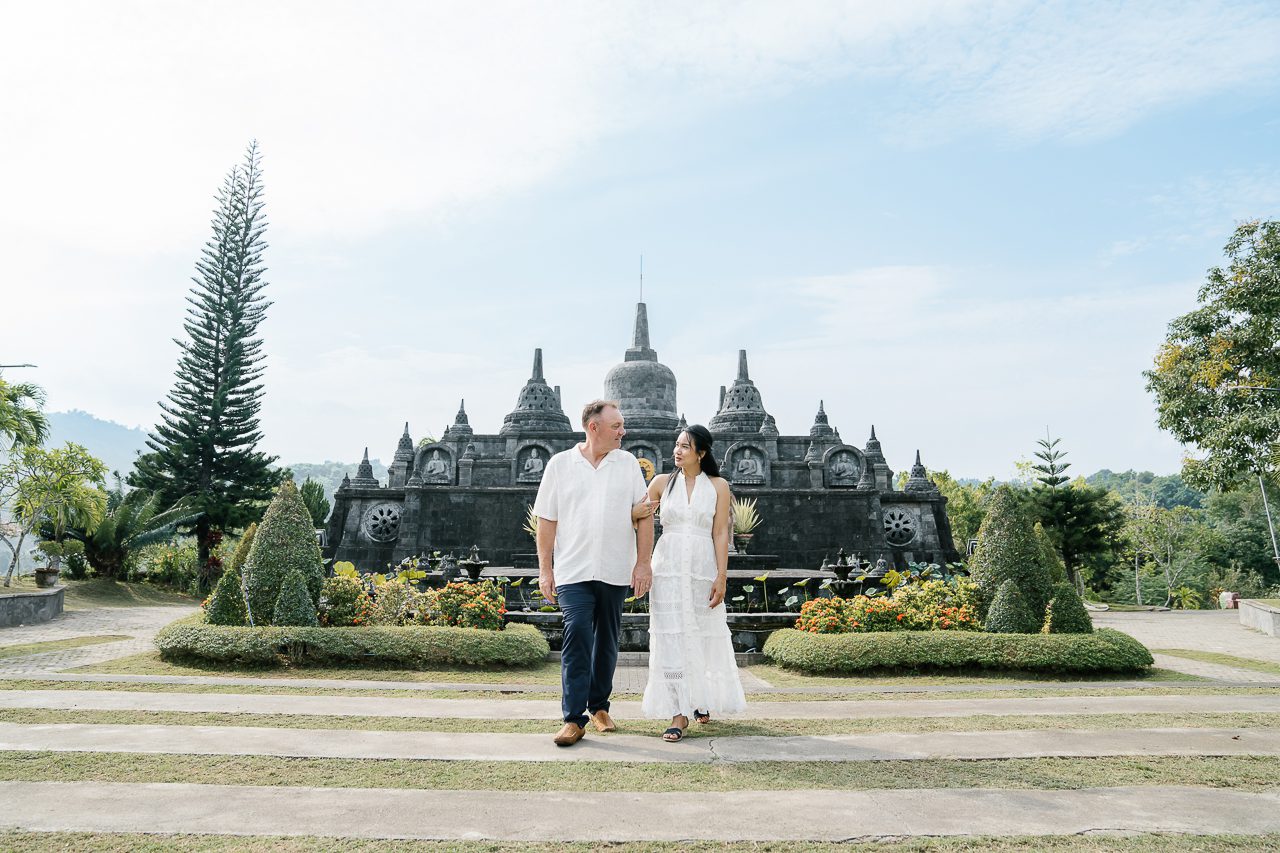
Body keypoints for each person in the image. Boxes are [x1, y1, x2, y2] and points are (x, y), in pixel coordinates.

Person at [534, 400, 653, 746]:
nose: (623, 431)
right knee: (577, 636)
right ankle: (573, 718)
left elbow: (644, 514)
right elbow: (547, 520)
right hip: (573, 569)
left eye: (622, 426)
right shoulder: (560, 465)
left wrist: (643, 563)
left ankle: (599, 706)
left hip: (616, 568)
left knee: (607, 642)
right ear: (594, 426)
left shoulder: (628, 464)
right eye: (616, 426)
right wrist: (546, 570)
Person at [635, 424, 746, 741]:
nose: (677, 450)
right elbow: (639, 516)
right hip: (667, 568)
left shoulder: (718, 486)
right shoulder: (660, 483)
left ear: (702, 452)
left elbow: (721, 532)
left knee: (701, 633)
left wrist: (722, 576)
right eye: (676, 444)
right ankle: (677, 713)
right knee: (671, 637)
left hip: (702, 567)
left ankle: (700, 699)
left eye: (685, 446)